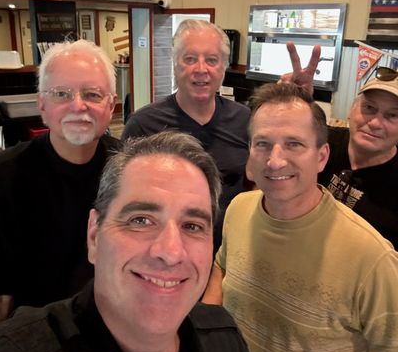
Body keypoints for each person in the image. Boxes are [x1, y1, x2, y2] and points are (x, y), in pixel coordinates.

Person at [0, 133, 252, 352]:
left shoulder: (225, 340)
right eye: (141, 220)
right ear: (94, 235)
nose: (171, 252)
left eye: (192, 226)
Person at [203, 82, 398, 352]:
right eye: (262, 143)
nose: (274, 161)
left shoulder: (373, 257)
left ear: (321, 157)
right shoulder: (238, 209)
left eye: (294, 144)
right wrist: (205, 337)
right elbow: (221, 269)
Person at [122, 21, 321, 253]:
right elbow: (123, 199)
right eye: (190, 59)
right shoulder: (143, 125)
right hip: (167, 251)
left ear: (223, 68)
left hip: (233, 250)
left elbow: (276, 169)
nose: (201, 69)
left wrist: (294, 102)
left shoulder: (245, 120)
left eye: (212, 60)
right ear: (175, 64)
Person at [0, 39, 122, 330]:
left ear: (111, 105)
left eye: (92, 94)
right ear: (42, 105)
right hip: (37, 333)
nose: (78, 106)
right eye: (62, 94)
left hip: (114, 327)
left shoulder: (128, 169)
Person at [318, 66, 398, 294]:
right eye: (369, 108)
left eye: (392, 115)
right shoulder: (323, 142)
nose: (375, 122)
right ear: (351, 110)